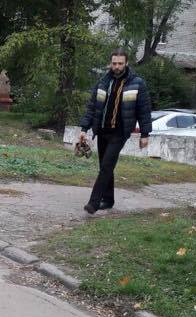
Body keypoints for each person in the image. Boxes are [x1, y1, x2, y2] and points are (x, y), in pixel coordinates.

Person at [79, 49, 152, 214]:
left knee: (106, 166)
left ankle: (93, 203)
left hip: (120, 132)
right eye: (114, 63)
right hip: (102, 129)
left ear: (126, 63)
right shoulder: (103, 82)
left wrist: (145, 134)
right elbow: (92, 107)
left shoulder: (137, 83)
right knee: (105, 165)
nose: (117, 66)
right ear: (110, 64)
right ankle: (108, 199)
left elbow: (144, 110)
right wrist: (84, 128)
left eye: (120, 63)